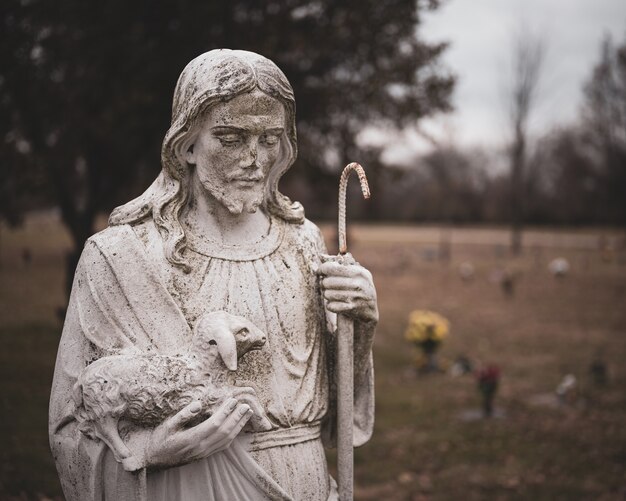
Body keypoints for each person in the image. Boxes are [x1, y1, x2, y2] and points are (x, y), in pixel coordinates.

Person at [49, 49, 378, 501]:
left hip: (303, 480)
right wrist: (150, 450)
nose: (254, 159)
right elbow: (73, 422)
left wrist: (359, 325)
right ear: (185, 143)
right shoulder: (122, 256)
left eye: (269, 139)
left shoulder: (303, 243)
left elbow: (339, 412)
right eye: (230, 137)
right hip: (185, 484)